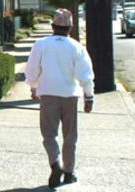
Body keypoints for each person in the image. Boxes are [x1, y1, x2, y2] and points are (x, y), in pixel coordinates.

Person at [25, 9, 95, 189]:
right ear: (70, 27)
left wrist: (34, 87)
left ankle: (55, 163)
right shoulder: (76, 47)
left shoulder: (41, 44)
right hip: (70, 95)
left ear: (52, 26)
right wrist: (89, 96)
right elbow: (85, 74)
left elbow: (32, 69)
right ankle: (69, 172)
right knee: (70, 135)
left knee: (49, 134)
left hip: (48, 93)